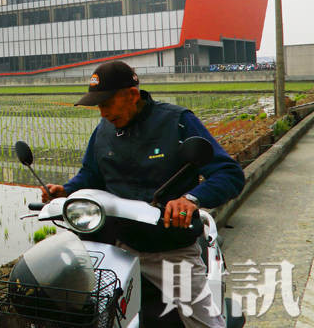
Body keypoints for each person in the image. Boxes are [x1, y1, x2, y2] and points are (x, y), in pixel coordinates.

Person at [41, 60, 244, 328]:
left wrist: (190, 200)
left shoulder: (177, 122)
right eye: (98, 106)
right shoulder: (103, 131)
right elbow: (91, 174)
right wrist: (66, 189)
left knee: (205, 322)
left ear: (132, 95)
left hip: (169, 247)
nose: (102, 113)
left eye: (107, 103)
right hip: (119, 247)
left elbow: (229, 173)